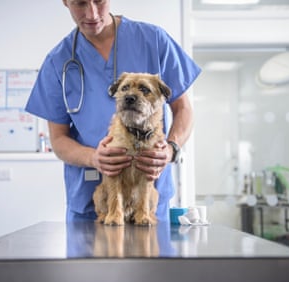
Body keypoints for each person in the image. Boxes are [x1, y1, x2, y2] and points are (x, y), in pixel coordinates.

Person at [25, 0, 201, 222]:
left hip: (147, 199)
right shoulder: (57, 61)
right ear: (65, 2)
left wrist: (171, 148)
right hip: (91, 202)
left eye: (99, 1)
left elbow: (183, 108)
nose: (92, 13)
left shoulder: (153, 40)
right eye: (80, 4)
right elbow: (58, 139)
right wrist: (94, 158)